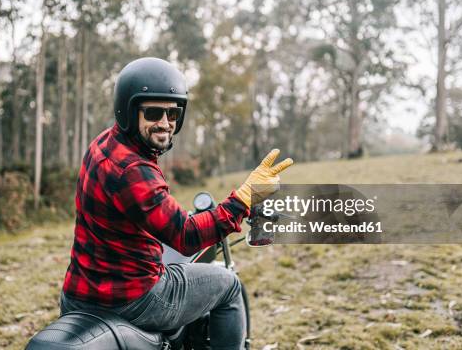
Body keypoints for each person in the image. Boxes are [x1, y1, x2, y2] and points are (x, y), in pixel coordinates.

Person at [59, 57, 293, 350]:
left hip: (80, 291)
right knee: (229, 285)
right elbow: (186, 236)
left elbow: (145, 208)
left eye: (173, 113)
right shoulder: (133, 169)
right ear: (129, 111)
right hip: (132, 298)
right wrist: (244, 198)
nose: (165, 123)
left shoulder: (104, 144)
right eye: (154, 112)